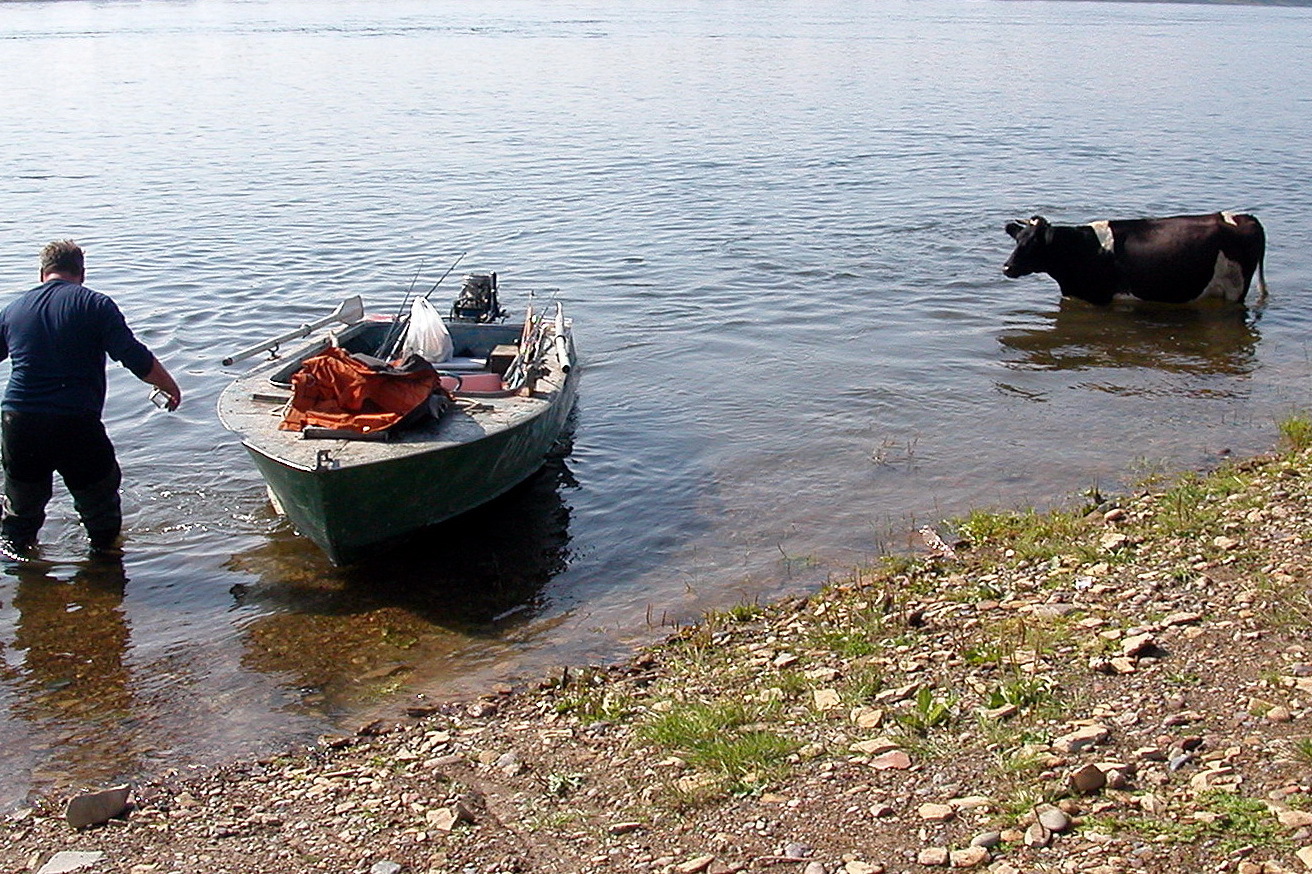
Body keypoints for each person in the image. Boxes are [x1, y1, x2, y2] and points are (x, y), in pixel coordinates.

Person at [0, 240, 182, 555]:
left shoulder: (13, 310)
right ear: (81, 273)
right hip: (74, 422)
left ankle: (24, 581)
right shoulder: (95, 305)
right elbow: (132, 355)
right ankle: (104, 574)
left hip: (19, 421)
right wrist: (169, 385)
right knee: (100, 511)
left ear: (42, 272)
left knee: (20, 516)